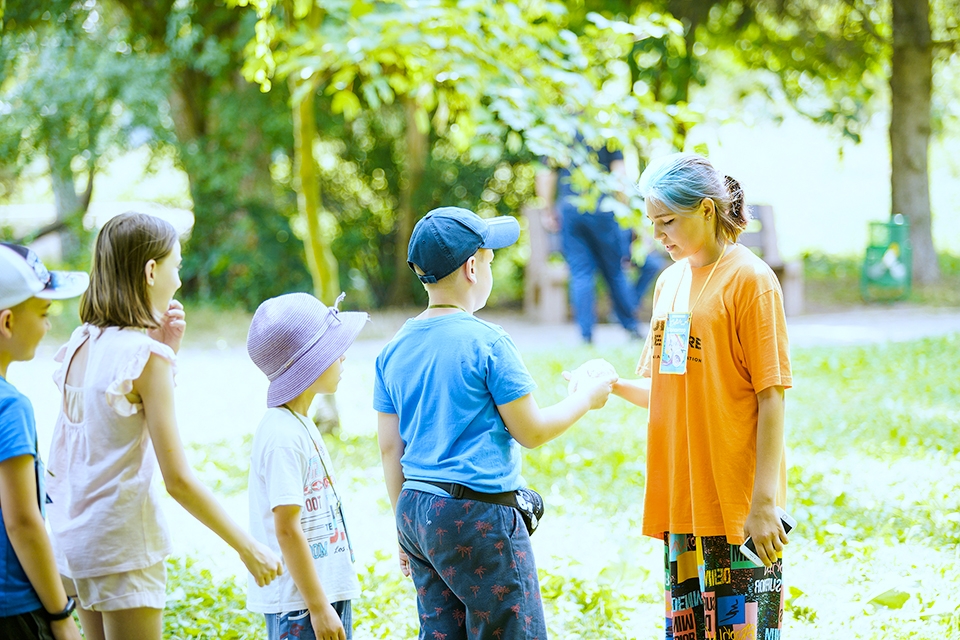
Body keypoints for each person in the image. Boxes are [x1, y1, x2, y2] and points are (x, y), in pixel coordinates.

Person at [374, 206, 617, 639]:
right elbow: (532, 430)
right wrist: (585, 398)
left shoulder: (392, 350)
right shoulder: (489, 342)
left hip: (416, 512)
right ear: (472, 267)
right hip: (477, 516)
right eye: (489, 260)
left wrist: (402, 527)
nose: (488, 267)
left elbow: (391, 449)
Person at [46, 212, 282, 640]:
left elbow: (104, 428)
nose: (178, 279)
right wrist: (249, 548)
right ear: (151, 270)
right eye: (175, 266)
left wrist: (161, 350)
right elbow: (178, 480)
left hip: (73, 546)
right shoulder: (144, 358)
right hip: (123, 550)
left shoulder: (80, 342)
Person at [602, 153, 792, 640]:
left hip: (736, 507)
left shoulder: (751, 281)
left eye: (668, 221)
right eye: (652, 223)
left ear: (707, 210)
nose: (658, 235)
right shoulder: (669, 282)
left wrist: (764, 504)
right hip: (682, 502)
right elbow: (670, 389)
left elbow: (772, 396)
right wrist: (612, 384)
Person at [245, 292, 368, 640]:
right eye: (333, 349)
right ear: (308, 364)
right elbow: (286, 528)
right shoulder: (282, 435)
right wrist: (317, 606)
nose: (343, 355)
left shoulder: (300, 423)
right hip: (300, 606)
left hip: (321, 594)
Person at [0, 244, 87, 640]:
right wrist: (60, 615)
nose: (48, 325)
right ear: (7, 322)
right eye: (43, 313)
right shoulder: (10, 407)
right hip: (14, 610)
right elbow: (22, 522)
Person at [535, 134, 641, 343]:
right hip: (602, 207)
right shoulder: (603, 127)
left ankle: (585, 334)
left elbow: (545, 175)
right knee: (615, 271)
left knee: (580, 273)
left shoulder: (559, 130)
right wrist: (624, 207)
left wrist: (547, 210)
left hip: (571, 209)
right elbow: (619, 173)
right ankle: (631, 327)